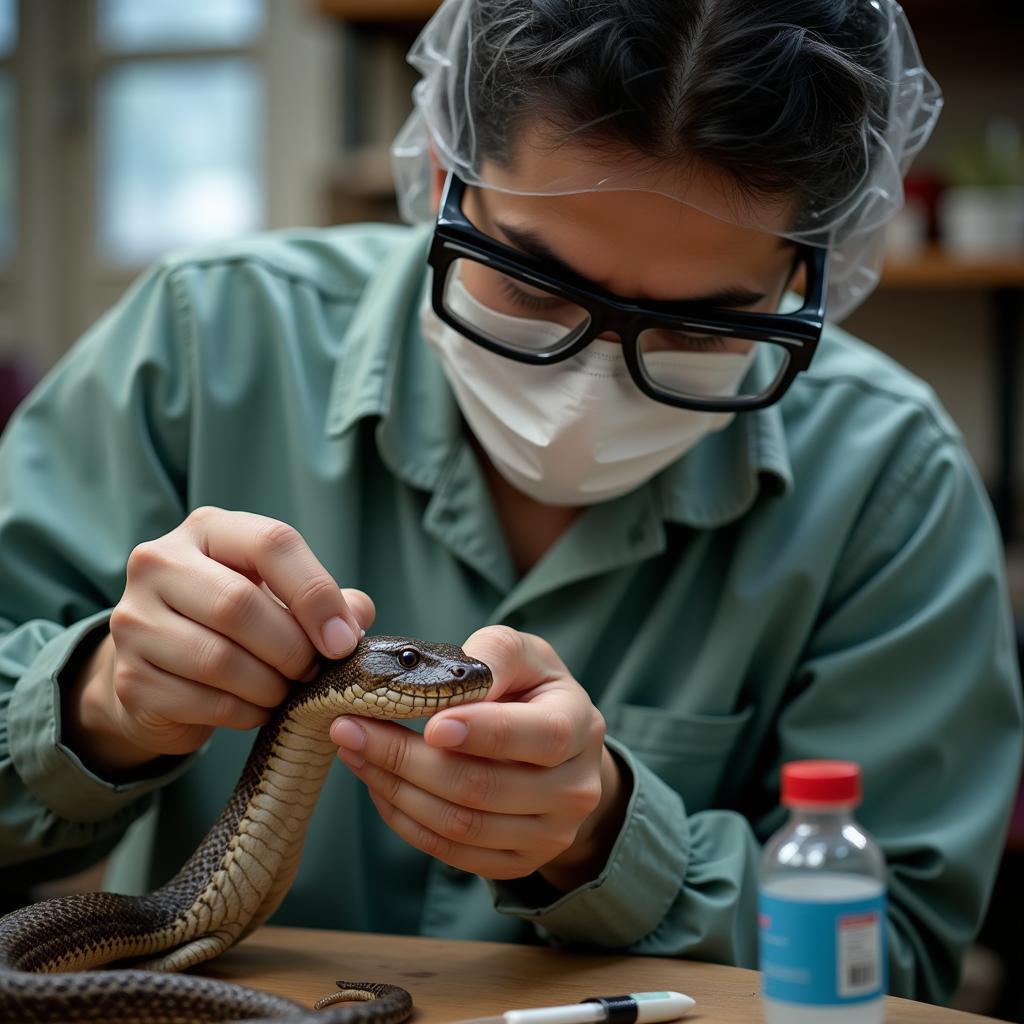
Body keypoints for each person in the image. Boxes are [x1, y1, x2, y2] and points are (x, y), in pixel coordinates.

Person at [0, 0, 1021, 1007]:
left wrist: (611, 844)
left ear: (809, 274)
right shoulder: (201, 340)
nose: (593, 386)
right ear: (447, 175)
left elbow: (892, 964)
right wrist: (94, 705)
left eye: (701, 330)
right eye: (531, 288)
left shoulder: (890, 478)